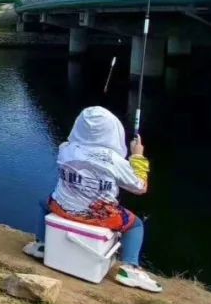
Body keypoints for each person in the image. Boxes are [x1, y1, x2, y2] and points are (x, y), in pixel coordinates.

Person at [23, 106, 162, 293]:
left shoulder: (66, 149)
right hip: (99, 216)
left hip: (61, 207)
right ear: (114, 130)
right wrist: (137, 156)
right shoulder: (114, 160)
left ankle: (41, 244)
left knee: (43, 202)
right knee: (135, 225)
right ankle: (130, 268)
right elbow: (140, 187)